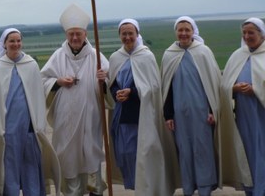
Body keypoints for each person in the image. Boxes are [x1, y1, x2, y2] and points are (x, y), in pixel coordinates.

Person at [40, 4, 109, 196]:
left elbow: (110, 85)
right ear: (66, 35)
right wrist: (58, 81)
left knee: (91, 158)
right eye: (71, 34)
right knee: (68, 160)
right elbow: (43, 80)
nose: (75, 38)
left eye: (78, 34)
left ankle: (94, 191)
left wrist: (104, 81)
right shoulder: (58, 56)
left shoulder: (96, 56)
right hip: (66, 121)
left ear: (85, 34)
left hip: (90, 119)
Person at [107, 19, 177, 195]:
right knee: (126, 153)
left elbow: (154, 87)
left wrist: (131, 91)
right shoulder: (116, 57)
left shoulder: (147, 56)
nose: (128, 37)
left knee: (145, 153)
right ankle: (137, 187)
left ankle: (149, 189)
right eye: (124, 34)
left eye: (131, 33)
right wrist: (116, 91)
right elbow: (113, 82)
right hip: (122, 114)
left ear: (137, 34)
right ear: (119, 36)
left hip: (142, 113)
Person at [0, 28, 61, 196]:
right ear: (4, 44)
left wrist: (39, 124)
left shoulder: (31, 65)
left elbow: (37, 96)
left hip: (29, 126)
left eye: (18, 40)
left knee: (31, 166)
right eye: (11, 41)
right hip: (8, 128)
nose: (15, 44)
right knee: (10, 169)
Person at [161, 16, 220, 196]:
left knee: (203, 151)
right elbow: (167, 88)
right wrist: (168, 115)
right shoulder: (169, 54)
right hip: (179, 115)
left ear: (193, 31)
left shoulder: (203, 52)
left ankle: (204, 189)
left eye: (187, 29)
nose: (184, 33)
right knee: (184, 152)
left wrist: (212, 110)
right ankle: (188, 188)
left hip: (202, 114)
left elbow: (213, 84)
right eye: (180, 30)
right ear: (176, 32)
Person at [220, 17, 265, 196]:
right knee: (248, 152)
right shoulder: (237, 56)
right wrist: (233, 88)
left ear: (261, 35)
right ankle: (253, 189)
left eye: (251, 33)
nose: (247, 36)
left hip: (261, 115)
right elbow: (224, 85)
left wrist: (256, 90)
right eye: (244, 33)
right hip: (244, 116)